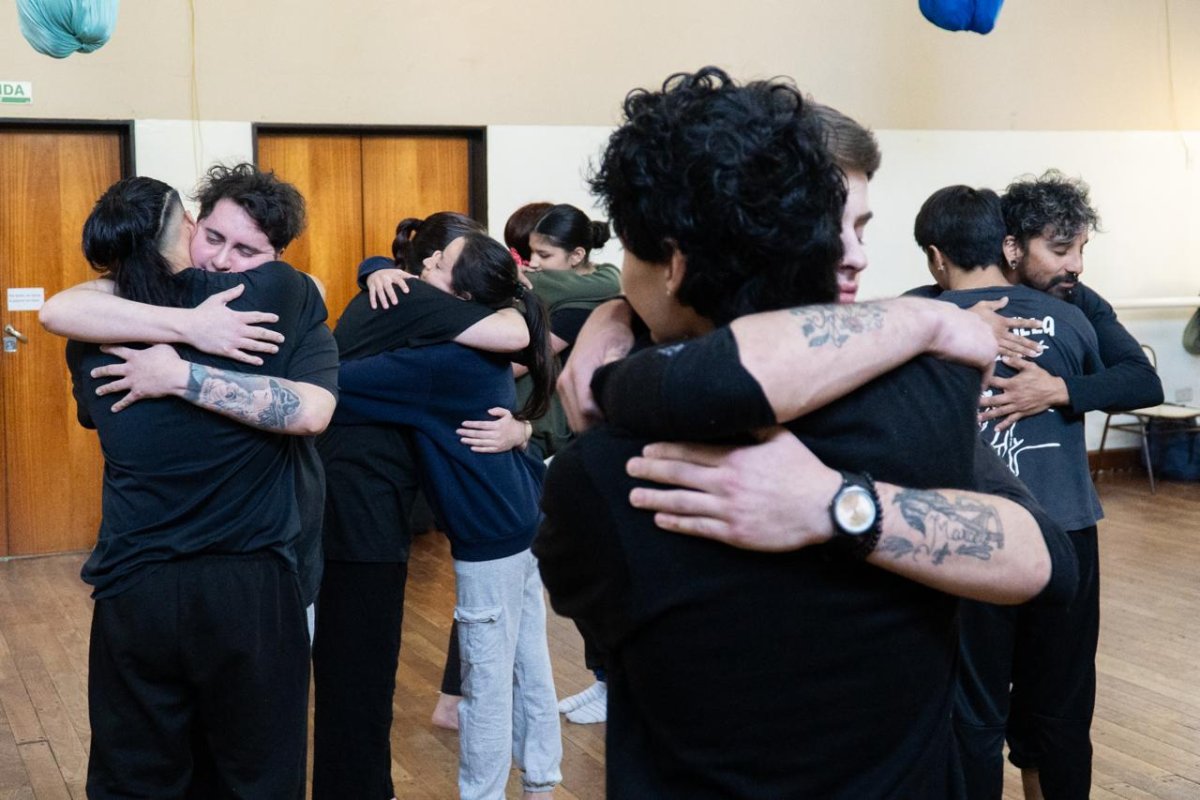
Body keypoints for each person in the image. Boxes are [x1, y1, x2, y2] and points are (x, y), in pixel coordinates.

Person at [534, 67, 1077, 798]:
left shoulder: (602, 466)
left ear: (675, 264)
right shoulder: (924, 397)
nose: (855, 254)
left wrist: (830, 503)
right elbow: (1053, 563)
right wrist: (927, 322)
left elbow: (597, 617)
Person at [47, 175, 337, 798]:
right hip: (233, 585)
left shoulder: (95, 328)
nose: (223, 261)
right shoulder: (279, 294)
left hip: (141, 586)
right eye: (211, 237)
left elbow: (60, 313)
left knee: (137, 777)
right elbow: (311, 408)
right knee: (256, 777)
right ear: (186, 228)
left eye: (245, 250)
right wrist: (189, 328)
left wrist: (178, 374)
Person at [311, 212, 533, 799]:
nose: (428, 262)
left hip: (471, 531)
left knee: (492, 678)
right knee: (504, 674)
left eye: (442, 260)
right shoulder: (422, 317)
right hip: (371, 520)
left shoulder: (427, 326)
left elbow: (516, 332)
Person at [913, 183, 1104, 799]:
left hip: (973, 534)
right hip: (1066, 534)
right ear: (1008, 246)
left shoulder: (919, 329)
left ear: (937, 257)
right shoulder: (1071, 318)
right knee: (1062, 709)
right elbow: (1125, 375)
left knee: (973, 714)